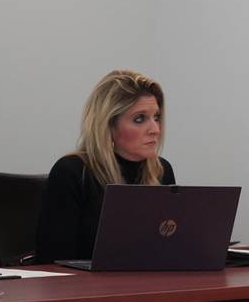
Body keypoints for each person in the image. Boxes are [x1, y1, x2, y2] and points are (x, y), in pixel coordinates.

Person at [36, 69, 175, 263]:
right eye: (139, 119)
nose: (155, 129)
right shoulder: (73, 172)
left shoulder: (161, 171)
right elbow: (53, 262)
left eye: (156, 117)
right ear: (108, 126)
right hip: (87, 291)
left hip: (145, 287)